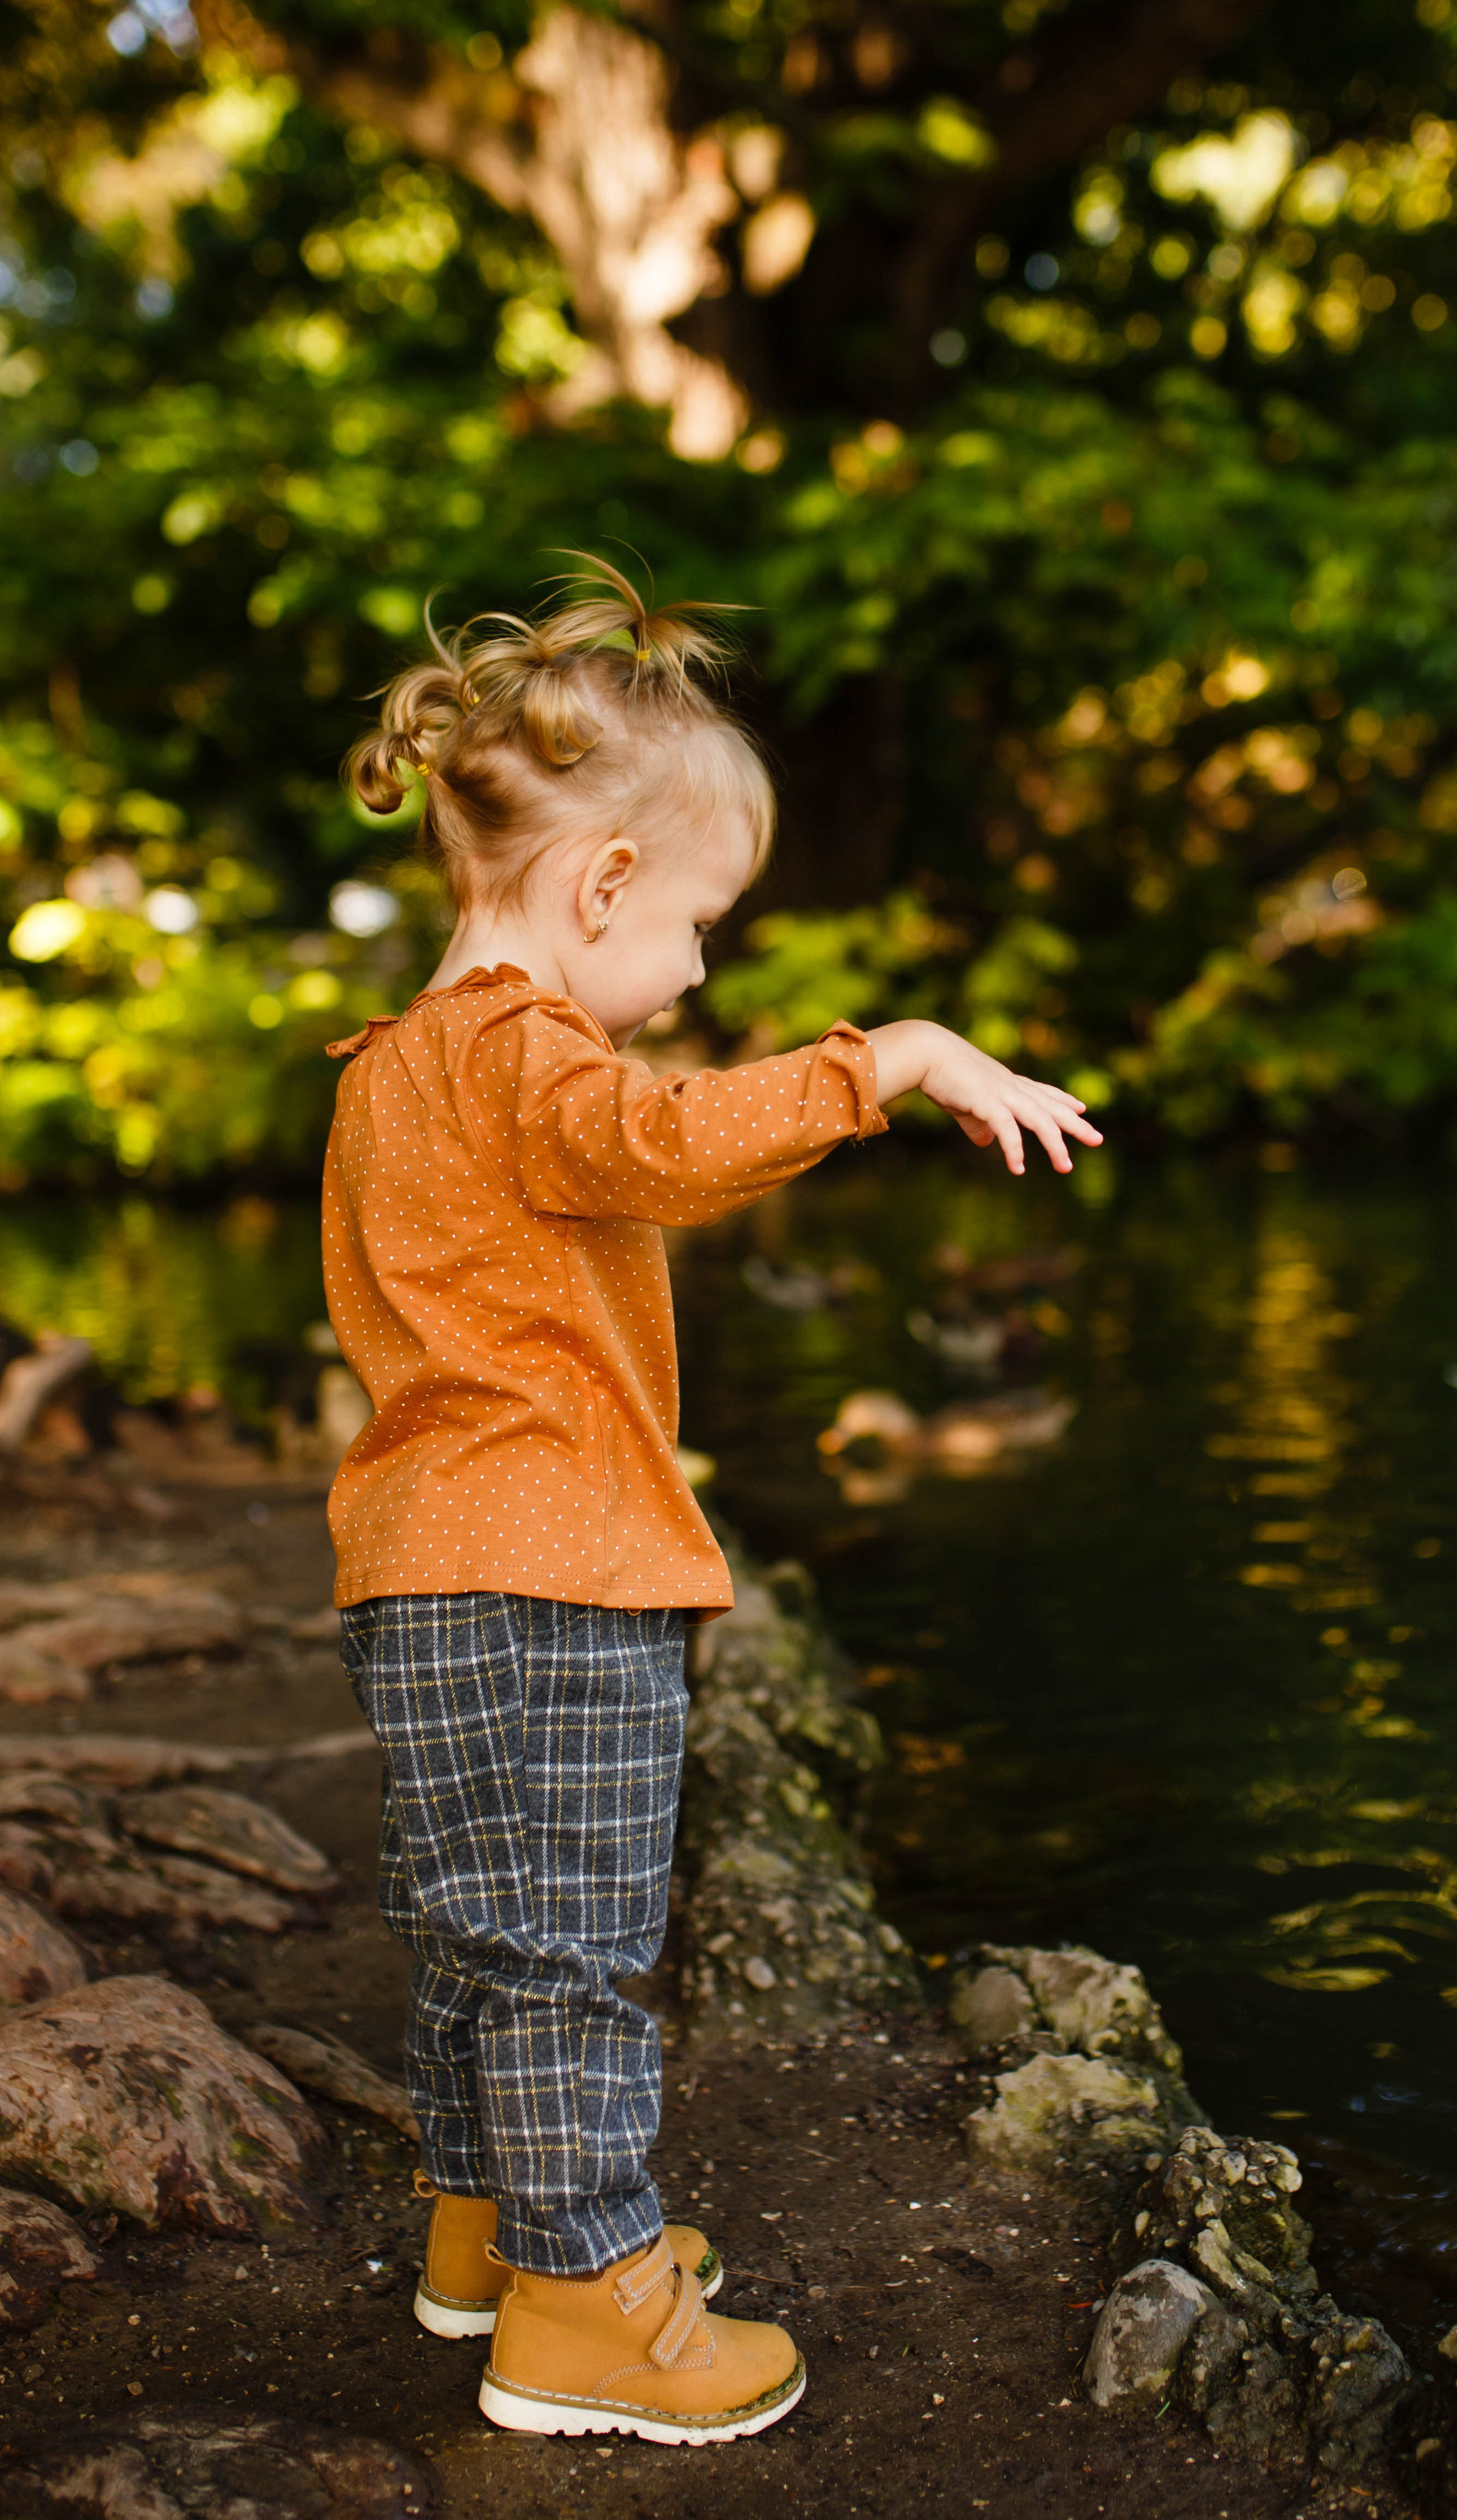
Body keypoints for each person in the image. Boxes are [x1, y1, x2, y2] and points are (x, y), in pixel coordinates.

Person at [321, 560, 1100, 2446]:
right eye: (698, 930)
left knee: (485, 1937)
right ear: (600, 887)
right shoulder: (532, 1055)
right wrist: (889, 1061)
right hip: (558, 1574)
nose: (696, 977)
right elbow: (657, 1145)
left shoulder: (388, 1074)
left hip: (418, 1572)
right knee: (578, 1950)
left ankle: (487, 2237)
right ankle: (588, 2313)